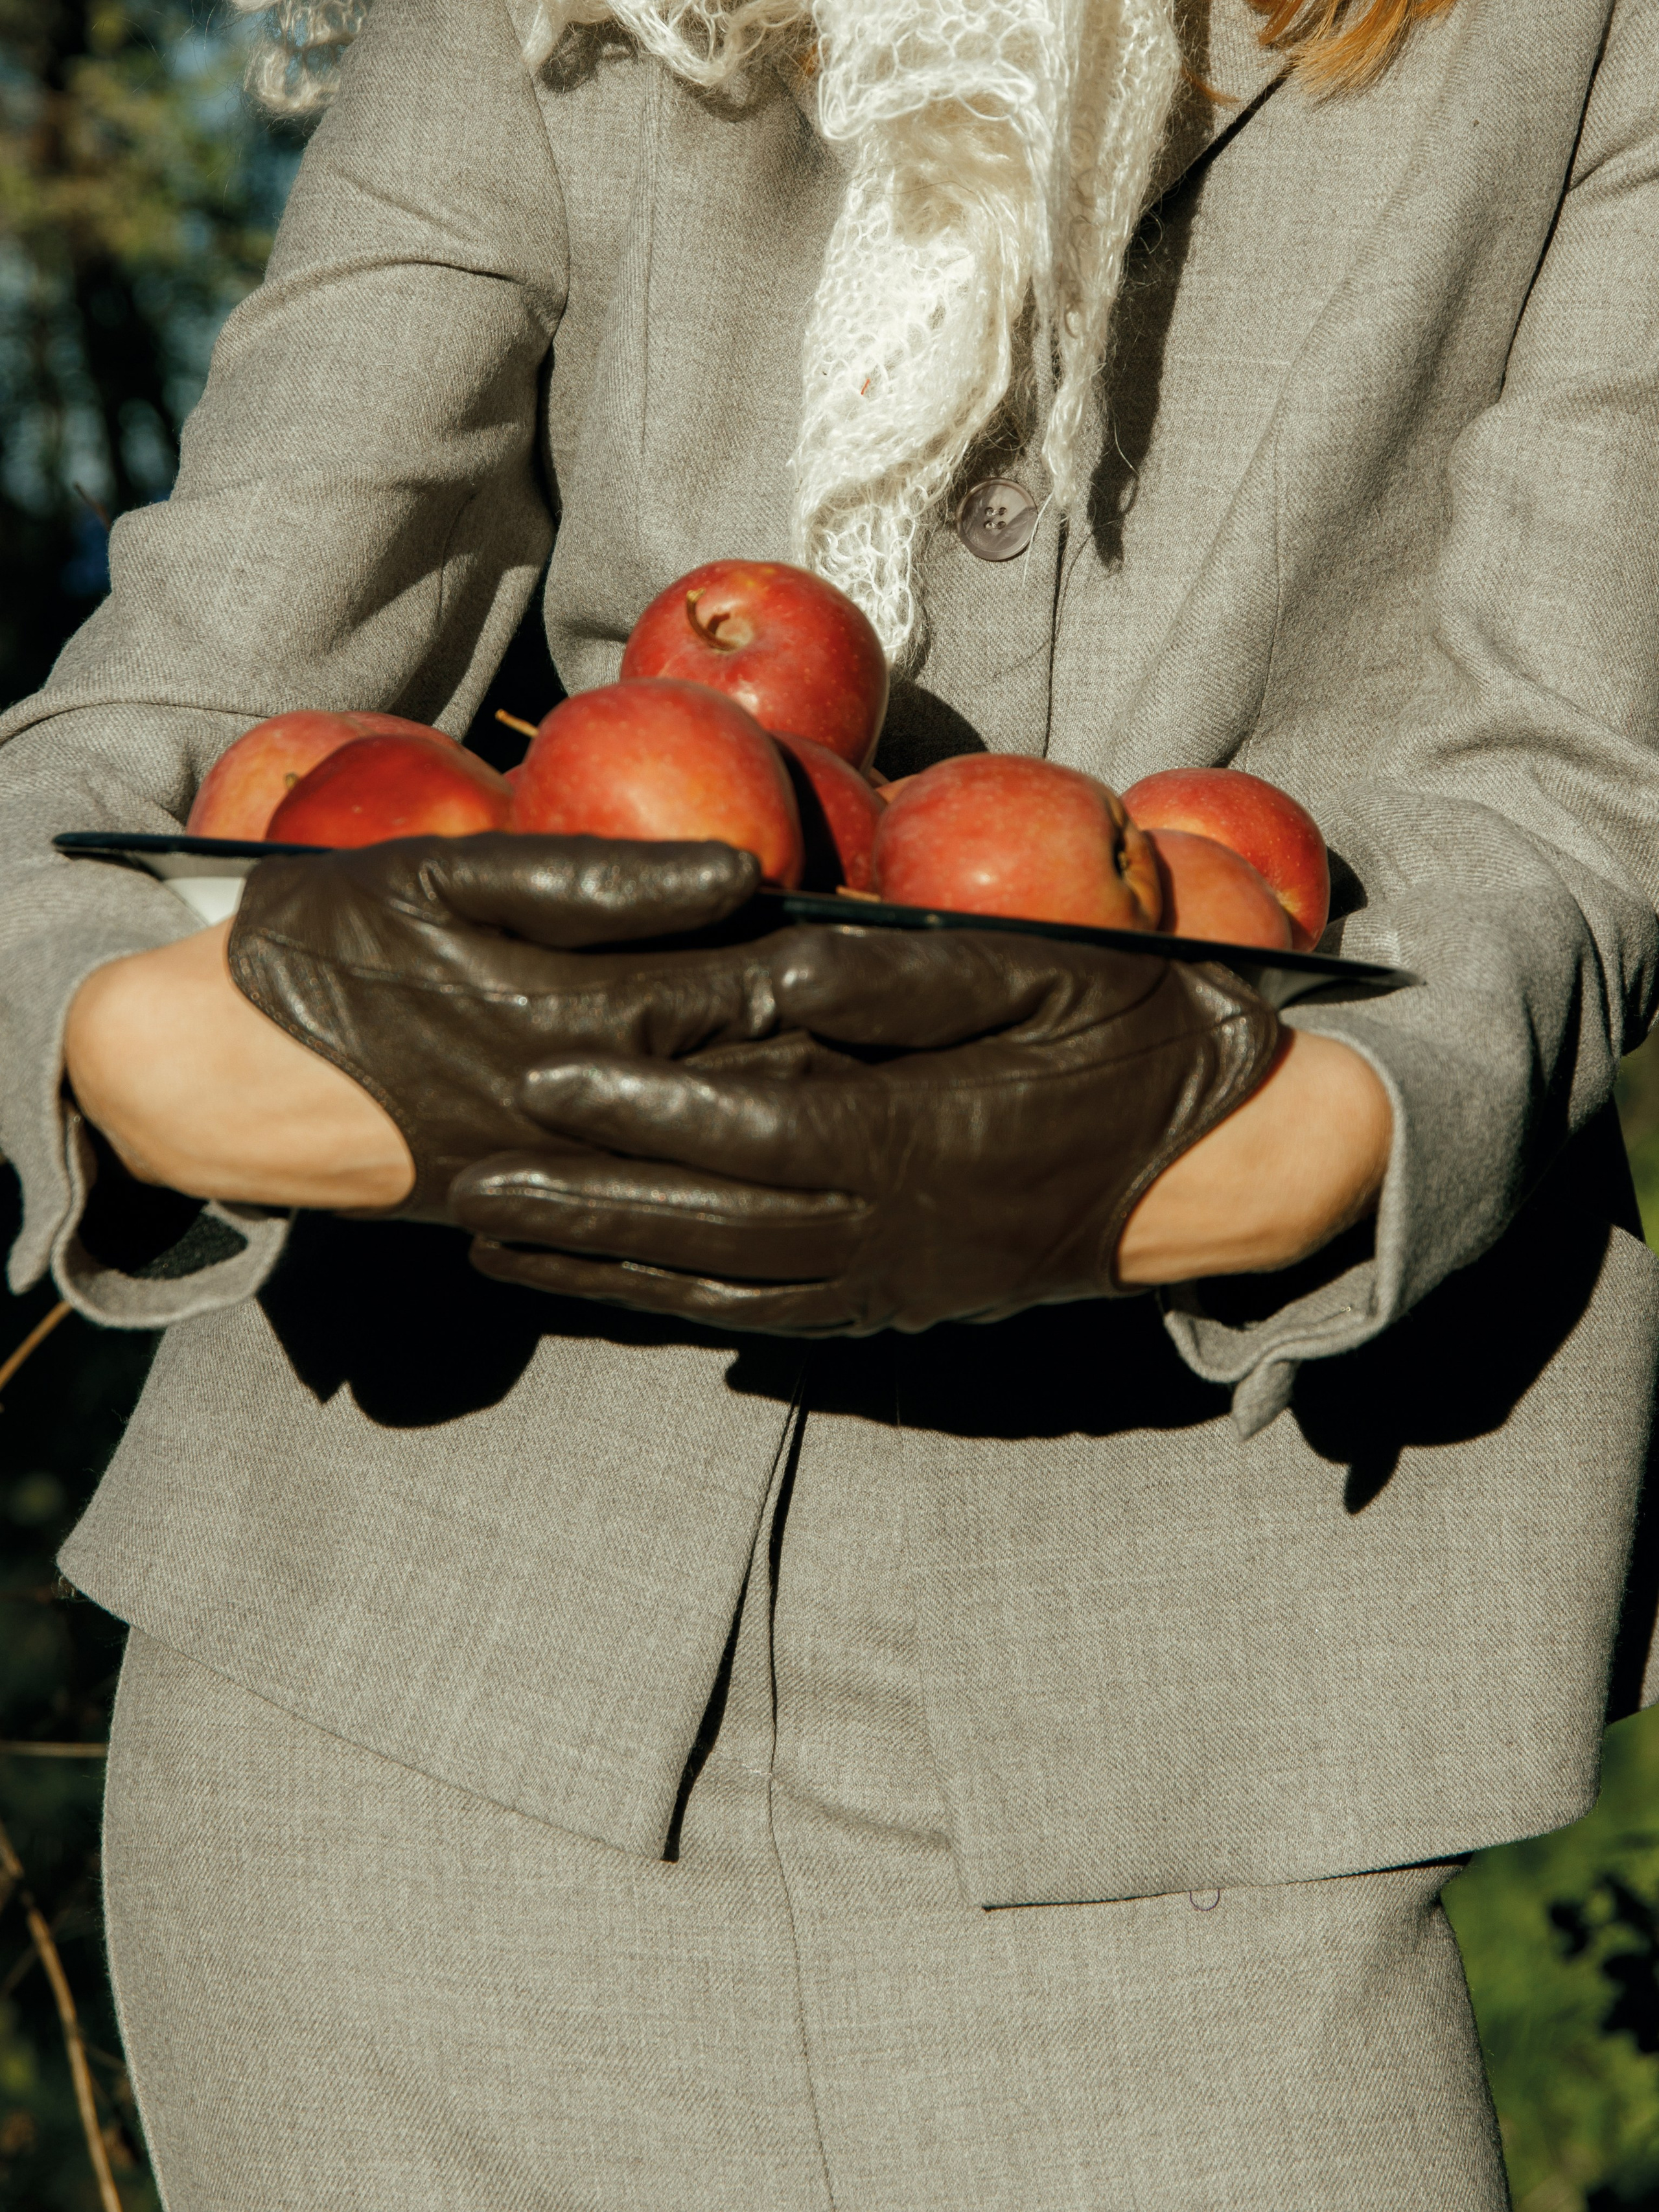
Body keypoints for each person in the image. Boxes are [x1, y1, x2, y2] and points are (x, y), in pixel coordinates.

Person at [1, 0, 1656, 2200]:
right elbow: (178, 697)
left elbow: (1565, 788)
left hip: (1192, 1732)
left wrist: (1300, 1149)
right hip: (401, 1694)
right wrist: (122, 1045)